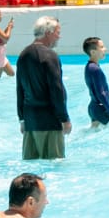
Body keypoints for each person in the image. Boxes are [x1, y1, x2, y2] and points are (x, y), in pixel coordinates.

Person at [17, 17, 72, 160]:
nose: (59, 36)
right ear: (48, 32)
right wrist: (64, 118)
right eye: (57, 32)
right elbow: (56, 90)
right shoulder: (50, 55)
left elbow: (20, 90)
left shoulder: (23, 55)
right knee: (54, 165)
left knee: (31, 175)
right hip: (50, 122)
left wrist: (22, 119)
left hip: (30, 120)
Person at [83, 37, 109, 127]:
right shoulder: (95, 69)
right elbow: (100, 93)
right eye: (101, 47)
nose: (104, 49)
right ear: (93, 52)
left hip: (93, 107)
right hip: (100, 108)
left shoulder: (89, 67)